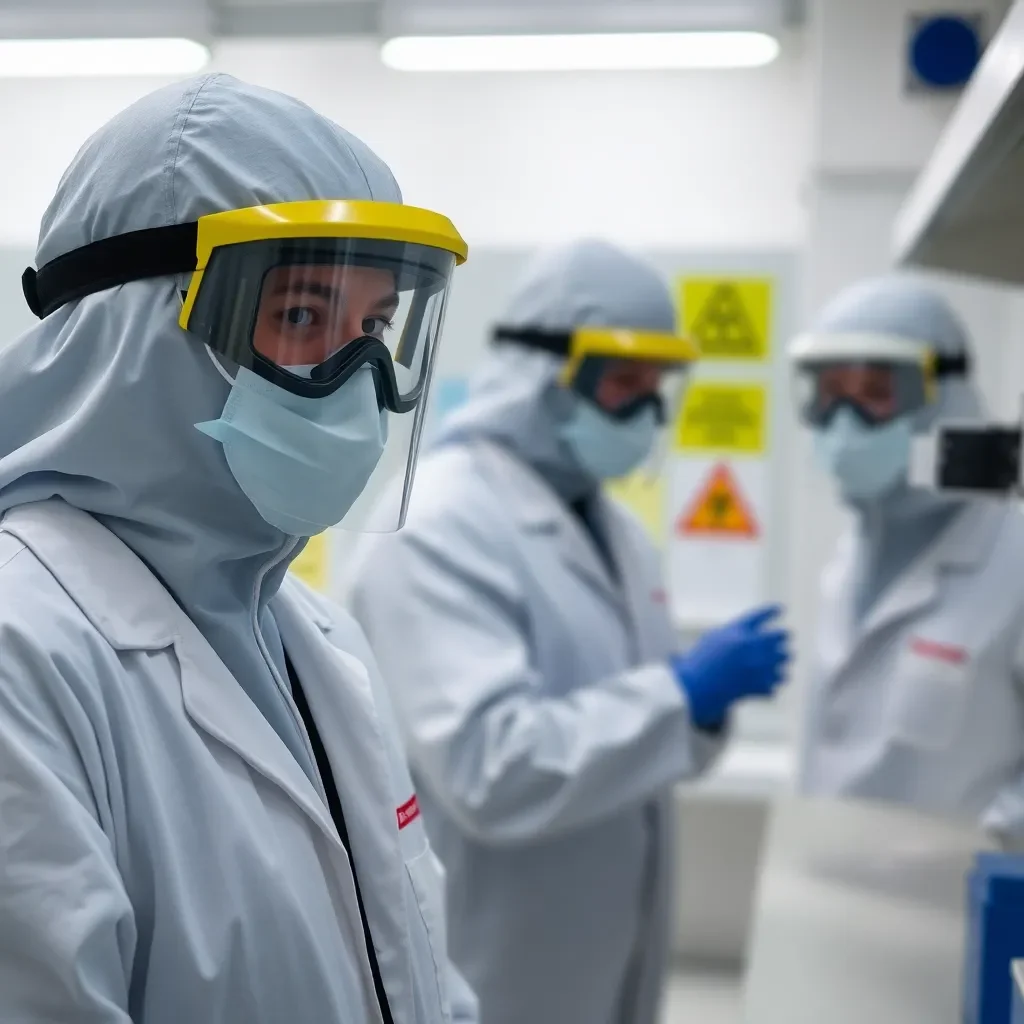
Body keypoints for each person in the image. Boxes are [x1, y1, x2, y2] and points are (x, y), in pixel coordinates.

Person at [0, 73, 479, 1023]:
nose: (355, 380)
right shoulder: (26, 653)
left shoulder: (318, 640)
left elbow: (414, 972)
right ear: (136, 332)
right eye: (301, 316)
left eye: (375, 327)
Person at [347, 240, 791, 1024]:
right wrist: (682, 695)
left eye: (658, 388)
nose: (646, 413)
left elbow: (639, 728)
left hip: (606, 947)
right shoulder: (439, 520)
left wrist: (700, 708)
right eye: (624, 383)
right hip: (493, 962)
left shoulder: (614, 526)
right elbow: (491, 765)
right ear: (542, 375)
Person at [792, 274, 1024, 844]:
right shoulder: (853, 553)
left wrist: (981, 851)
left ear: (944, 398)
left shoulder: (1012, 556)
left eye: (874, 393)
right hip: (831, 901)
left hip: (957, 916)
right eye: (829, 393)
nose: (844, 423)